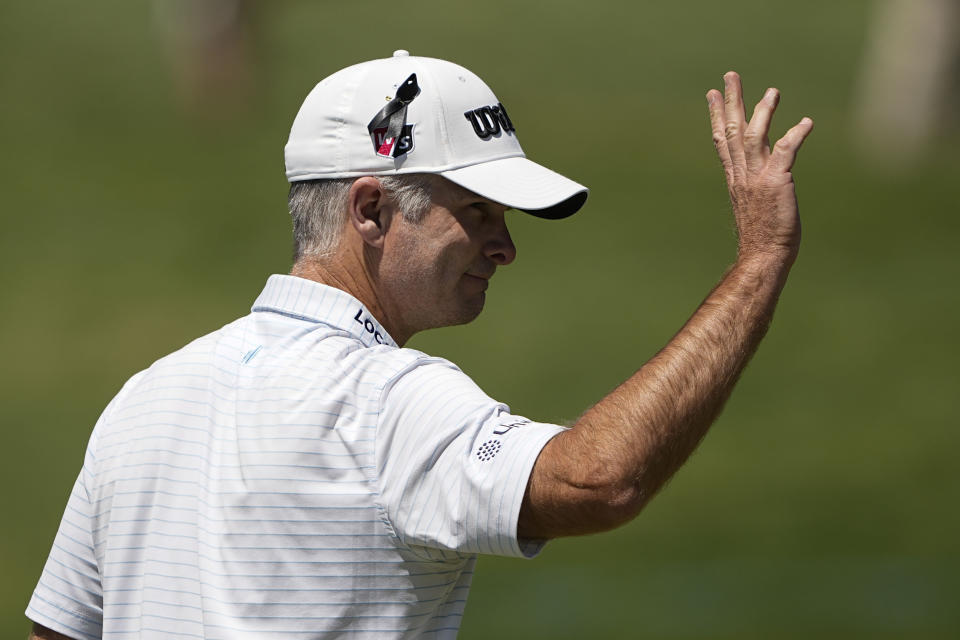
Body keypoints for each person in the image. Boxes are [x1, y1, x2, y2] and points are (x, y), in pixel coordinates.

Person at [25, 51, 813, 639]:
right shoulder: (388, 400)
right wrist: (759, 263)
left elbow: (57, 631)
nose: (505, 248)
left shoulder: (145, 397)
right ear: (370, 210)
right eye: (477, 212)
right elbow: (600, 483)